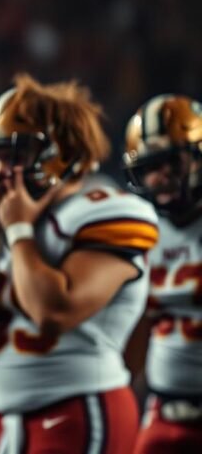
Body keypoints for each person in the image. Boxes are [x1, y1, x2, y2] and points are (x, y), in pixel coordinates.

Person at [0, 74, 158, 454]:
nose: (1, 172)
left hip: (82, 408)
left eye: (16, 157)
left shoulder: (107, 212)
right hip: (14, 420)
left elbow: (53, 311)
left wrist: (20, 231)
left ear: (63, 155)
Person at [121, 94, 202, 453]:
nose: (161, 177)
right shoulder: (139, 230)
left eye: (172, 162)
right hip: (162, 412)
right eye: (150, 166)